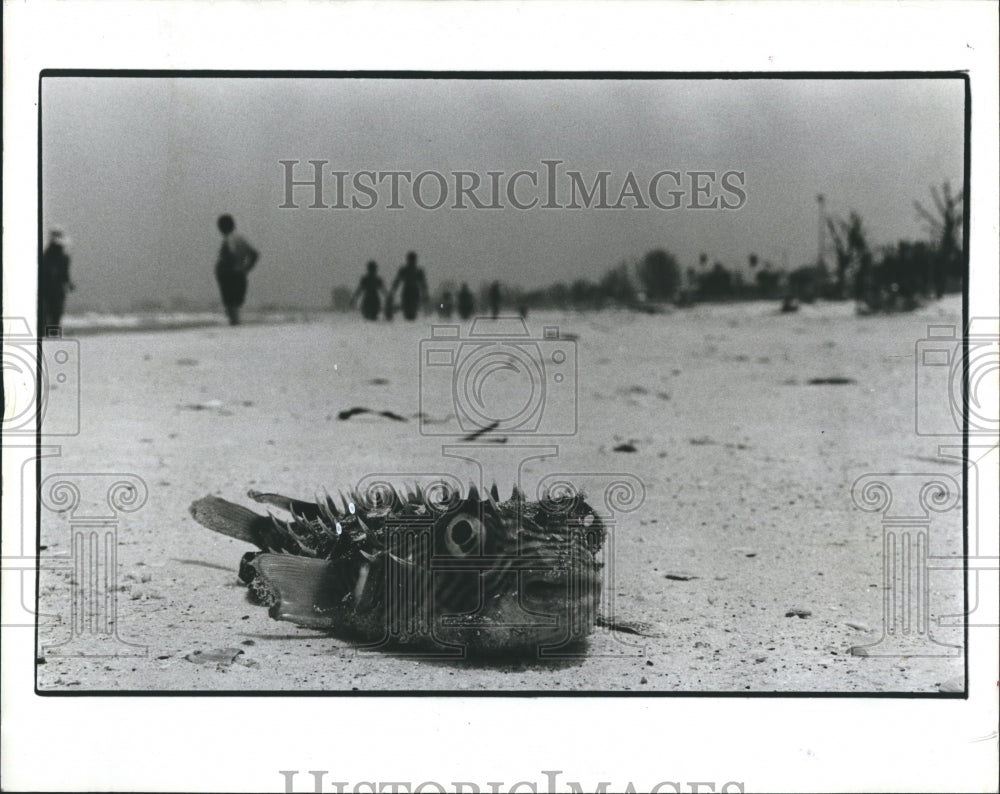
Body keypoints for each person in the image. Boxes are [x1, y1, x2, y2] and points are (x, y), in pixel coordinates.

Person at [214, 214, 259, 326]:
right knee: (236, 303)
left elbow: (231, 254)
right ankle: (235, 323)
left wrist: (226, 268)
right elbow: (254, 254)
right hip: (238, 273)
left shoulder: (229, 239)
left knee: (230, 303)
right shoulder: (241, 238)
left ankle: (235, 324)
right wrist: (246, 268)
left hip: (230, 274)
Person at [40, 227, 74, 334]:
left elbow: (64, 274)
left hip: (52, 290)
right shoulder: (52, 257)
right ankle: (51, 334)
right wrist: (69, 283)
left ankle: (50, 334)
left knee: (52, 315)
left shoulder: (54, 257)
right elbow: (64, 274)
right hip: (51, 290)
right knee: (52, 315)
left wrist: (69, 283)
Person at [391, 251, 428, 321]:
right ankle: (409, 323)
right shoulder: (404, 270)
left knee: (412, 310)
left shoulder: (418, 271)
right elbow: (397, 281)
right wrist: (393, 291)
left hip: (414, 292)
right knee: (407, 310)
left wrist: (425, 294)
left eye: (413, 259)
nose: (412, 261)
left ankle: (411, 322)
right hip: (407, 291)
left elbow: (423, 284)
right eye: (411, 259)